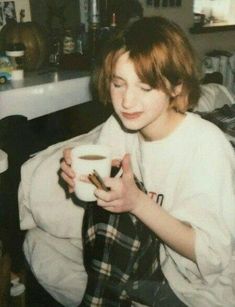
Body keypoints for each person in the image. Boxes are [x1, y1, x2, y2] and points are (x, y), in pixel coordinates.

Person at [60, 16, 235, 307]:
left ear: (176, 87)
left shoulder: (205, 145)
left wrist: (138, 202)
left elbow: (214, 258)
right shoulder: (119, 127)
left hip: (208, 287)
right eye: (118, 84)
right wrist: (81, 179)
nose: (127, 102)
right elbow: (101, 210)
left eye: (145, 88)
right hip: (158, 264)